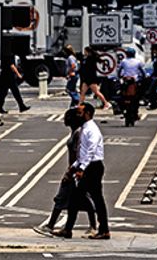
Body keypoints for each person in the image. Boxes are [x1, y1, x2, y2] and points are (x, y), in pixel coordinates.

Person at [33, 106, 95, 237]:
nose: (64, 119)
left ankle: (51, 225)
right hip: (75, 171)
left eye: (67, 117)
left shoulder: (78, 133)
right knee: (79, 200)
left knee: (63, 198)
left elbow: (79, 155)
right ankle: (73, 228)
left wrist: (70, 172)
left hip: (75, 172)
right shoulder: (75, 132)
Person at [52, 103, 109, 240]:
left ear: (87, 113)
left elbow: (91, 151)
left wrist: (82, 169)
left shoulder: (92, 130)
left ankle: (104, 230)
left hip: (93, 167)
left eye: (80, 113)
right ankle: (68, 229)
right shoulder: (84, 128)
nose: (77, 115)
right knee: (75, 198)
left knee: (96, 199)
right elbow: (82, 153)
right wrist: (74, 167)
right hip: (86, 165)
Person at [116, 47, 147, 124]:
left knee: (120, 95)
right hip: (135, 82)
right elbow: (143, 72)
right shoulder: (138, 62)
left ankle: (122, 109)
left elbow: (119, 72)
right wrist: (143, 77)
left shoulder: (123, 61)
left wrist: (120, 76)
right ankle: (135, 112)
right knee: (138, 97)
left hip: (125, 82)